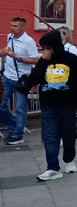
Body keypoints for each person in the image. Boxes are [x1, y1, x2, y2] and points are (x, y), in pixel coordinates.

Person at [20, 30, 77, 181]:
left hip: (67, 103)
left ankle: (69, 159)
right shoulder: (43, 61)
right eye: (42, 48)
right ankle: (52, 167)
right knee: (50, 135)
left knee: (68, 134)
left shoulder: (71, 59)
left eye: (47, 48)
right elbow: (34, 78)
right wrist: (43, 61)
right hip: (48, 104)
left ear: (55, 47)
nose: (44, 51)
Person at [1, 17, 39, 145]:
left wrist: (17, 57)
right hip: (7, 76)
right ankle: (15, 126)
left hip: (21, 79)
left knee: (20, 108)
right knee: (1, 104)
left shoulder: (28, 41)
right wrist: (5, 52)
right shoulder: (10, 37)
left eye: (16, 26)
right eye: (11, 25)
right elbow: (8, 51)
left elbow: (35, 59)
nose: (12, 28)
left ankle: (18, 134)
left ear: (23, 27)